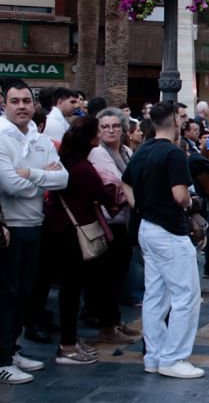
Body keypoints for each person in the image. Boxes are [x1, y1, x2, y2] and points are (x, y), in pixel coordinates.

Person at [121, 101, 204, 379]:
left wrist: (140, 206)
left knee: (155, 295)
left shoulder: (142, 149)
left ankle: (154, 357)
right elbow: (180, 195)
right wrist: (191, 203)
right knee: (186, 296)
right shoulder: (173, 153)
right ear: (175, 122)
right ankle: (173, 358)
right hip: (169, 230)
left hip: (148, 227)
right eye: (181, 117)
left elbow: (126, 182)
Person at [0, 80, 68, 384]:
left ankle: (11, 350)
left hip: (34, 225)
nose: (22, 106)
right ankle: (1, 359)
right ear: (4, 104)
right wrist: (43, 179)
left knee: (24, 294)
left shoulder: (40, 139)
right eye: (15, 101)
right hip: (9, 228)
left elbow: (63, 179)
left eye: (26, 101)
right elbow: (10, 186)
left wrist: (29, 174)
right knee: (6, 295)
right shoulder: (1, 137)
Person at [47, 116, 119, 365]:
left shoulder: (66, 163)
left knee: (71, 290)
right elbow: (102, 195)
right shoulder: (83, 169)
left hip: (62, 231)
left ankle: (71, 341)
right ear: (92, 138)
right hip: (75, 234)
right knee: (71, 290)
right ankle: (67, 346)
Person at [88, 108, 140, 345]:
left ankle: (115, 320)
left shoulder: (127, 151)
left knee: (119, 274)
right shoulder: (97, 153)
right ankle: (107, 326)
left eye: (115, 126)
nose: (110, 130)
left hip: (125, 221)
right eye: (105, 126)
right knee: (108, 276)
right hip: (108, 222)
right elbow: (117, 183)